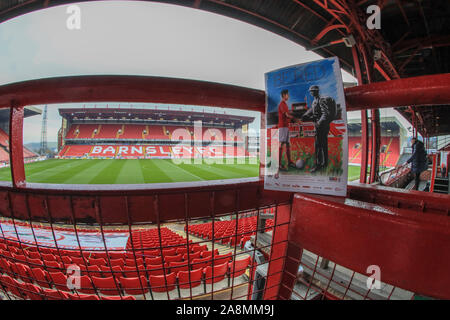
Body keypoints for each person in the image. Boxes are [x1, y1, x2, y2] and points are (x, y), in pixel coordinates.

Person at [301, 85, 334, 173]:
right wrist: (306, 115)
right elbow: (312, 110)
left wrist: (319, 123)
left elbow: (325, 113)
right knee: (323, 145)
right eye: (311, 91)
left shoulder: (321, 100)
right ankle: (324, 164)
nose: (311, 93)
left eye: (312, 91)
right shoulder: (315, 101)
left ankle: (319, 165)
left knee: (319, 146)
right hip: (319, 125)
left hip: (322, 126)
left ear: (316, 91)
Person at [276, 89, 296, 175]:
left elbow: (287, 116)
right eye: (287, 95)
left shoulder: (285, 104)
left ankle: (290, 162)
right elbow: (287, 115)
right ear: (284, 95)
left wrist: (291, 120)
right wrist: (296, 119)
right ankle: (279, 165)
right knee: (281, 144)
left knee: (287, 144)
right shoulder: (282, 104)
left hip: (286, 126)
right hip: (283, 127)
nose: (289, 96)